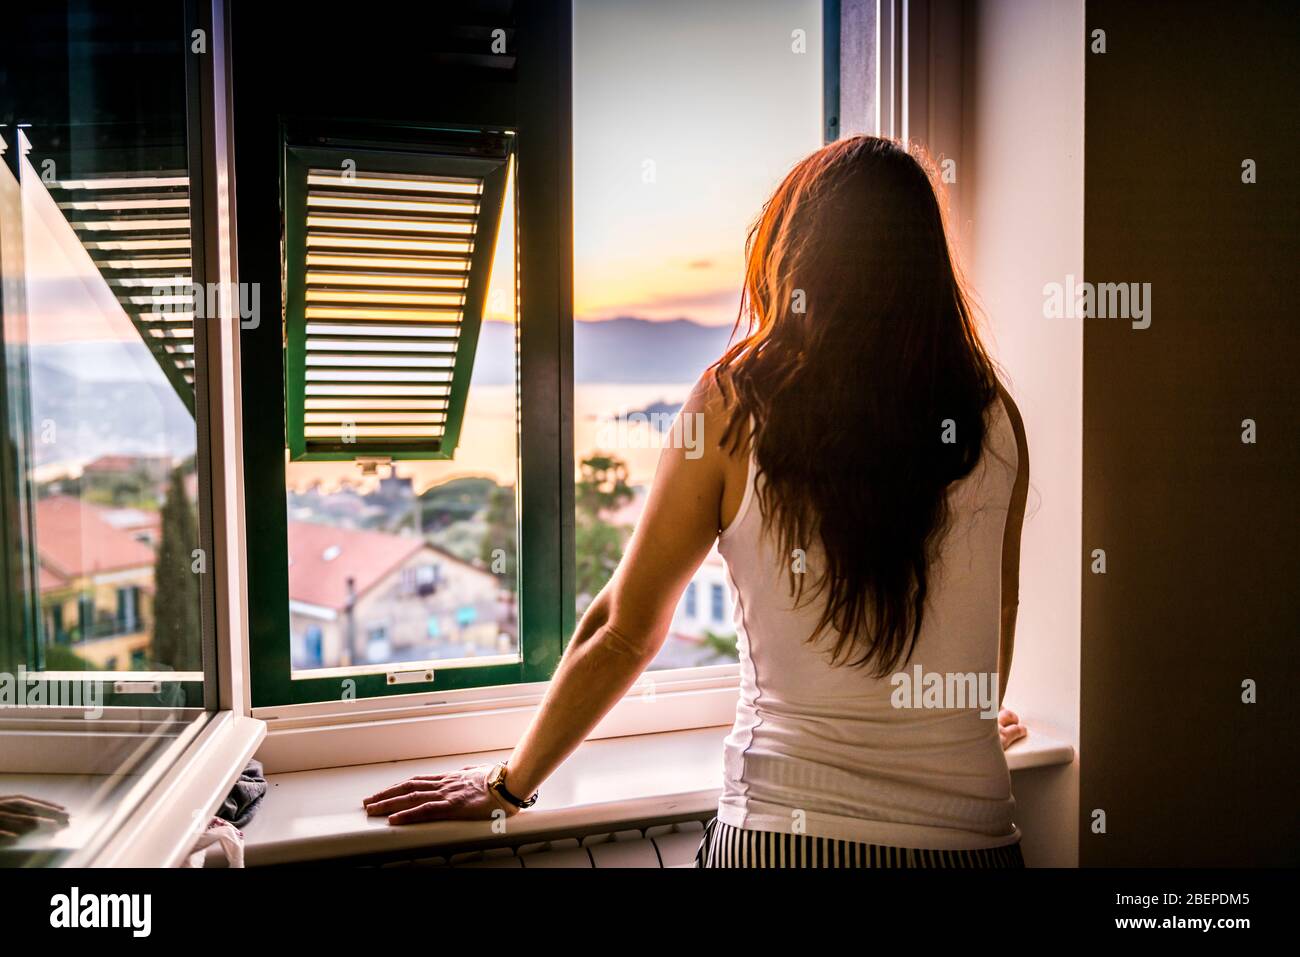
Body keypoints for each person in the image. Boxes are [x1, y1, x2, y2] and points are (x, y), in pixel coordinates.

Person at [363, 135, 1031, 868]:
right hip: (971, 843)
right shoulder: (995, 417)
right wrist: (962, 715)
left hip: (782, 840)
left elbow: (624, 629)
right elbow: (996, 603)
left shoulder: (734, 405)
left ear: (795, 256)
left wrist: (506, 785)